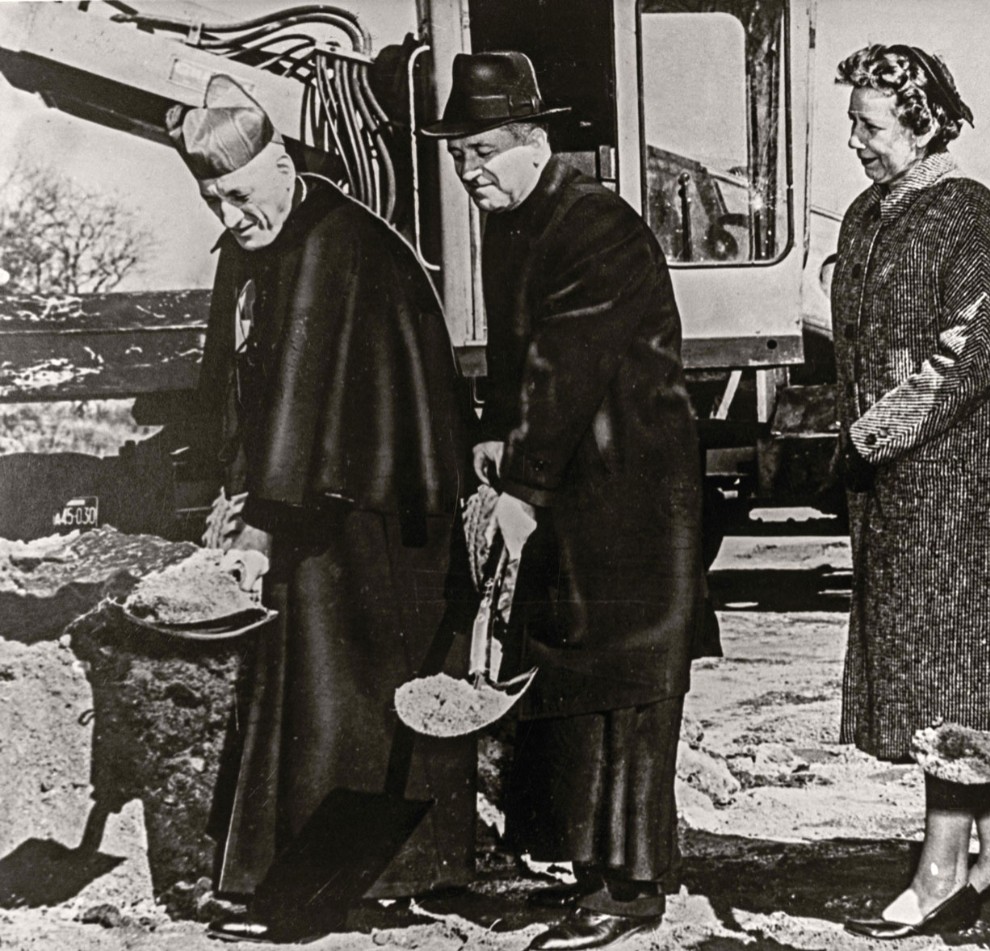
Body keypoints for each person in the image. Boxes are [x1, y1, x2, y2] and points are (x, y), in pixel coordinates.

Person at [168, 75, 477, 943]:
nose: (229, 214)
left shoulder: (334, 239)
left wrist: (259, 526)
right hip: (314, 499)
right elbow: (238, 384)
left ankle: (357, 886)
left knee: (355, 699)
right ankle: (298, 880)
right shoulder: (260, 239)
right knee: (308, 696)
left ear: (278, 162)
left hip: (381, 510)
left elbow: (306, 396)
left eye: (237, 192)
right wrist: (230, 495)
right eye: (212, 199)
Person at [421, 52, 718, 951]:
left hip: (632, 499)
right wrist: (491, 429)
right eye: (459, 157)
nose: (468, 173)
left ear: (535, 142)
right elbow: (528, 363)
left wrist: (522, 484)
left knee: (627, 687)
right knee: (581, 683)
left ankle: (632, 889)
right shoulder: (529, 226)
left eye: (482, 153)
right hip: (584, 496)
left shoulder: (593, 224)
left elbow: (570, 366)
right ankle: (599, 873)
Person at [829, 45, 990, 940]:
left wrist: (875, 432)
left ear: (922, 121)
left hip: (956, 489)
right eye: (854, 122)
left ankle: (942, 869)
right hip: (893, 494)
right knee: (932, 679)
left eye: (870, 124)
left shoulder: (969, 215)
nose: (856, 141)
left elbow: (970, 352)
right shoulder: (869, 214)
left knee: (946, 682)